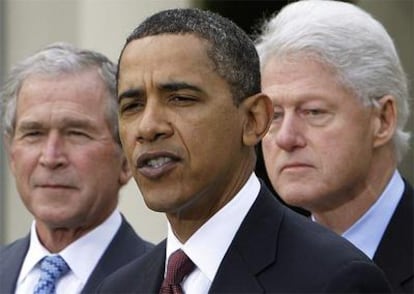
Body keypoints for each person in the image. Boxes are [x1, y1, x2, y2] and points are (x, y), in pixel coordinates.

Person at [98, 8, 391, 293]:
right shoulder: (117, 287)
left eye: (181, 98)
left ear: (254, 120)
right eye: (132, 106)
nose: (148, 127)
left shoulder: (336, 280)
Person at [255, 0, 413, 292]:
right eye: (274, 115)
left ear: (382, 119)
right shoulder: (251, 265)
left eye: (314, 112)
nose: (286, 138)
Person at [0, 42, 153, 294]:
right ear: (11, 155)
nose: (51, 157)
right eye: (33, 133)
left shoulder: (167, 282)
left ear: (126, 159)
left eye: (76, 134)